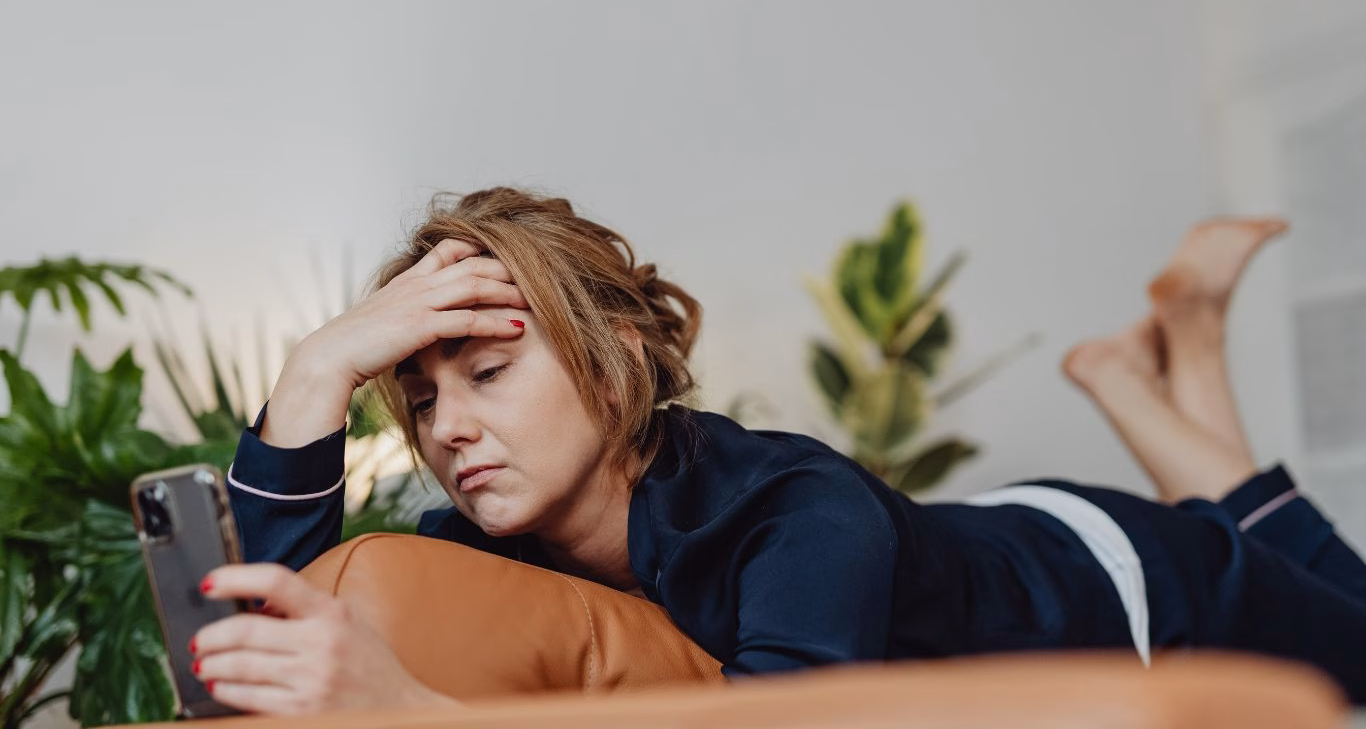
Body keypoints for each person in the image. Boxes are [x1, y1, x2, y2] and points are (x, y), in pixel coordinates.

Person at [191, 188, 1366, 714]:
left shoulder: (791, 505)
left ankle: (1168, 367)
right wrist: (314, 374)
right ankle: (1158, 366)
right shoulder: (478, 545)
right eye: (416, 395)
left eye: (488, 374)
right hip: (978, 539)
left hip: (1121, 572)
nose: (447, 430)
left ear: (613, 362)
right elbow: (259, 641)